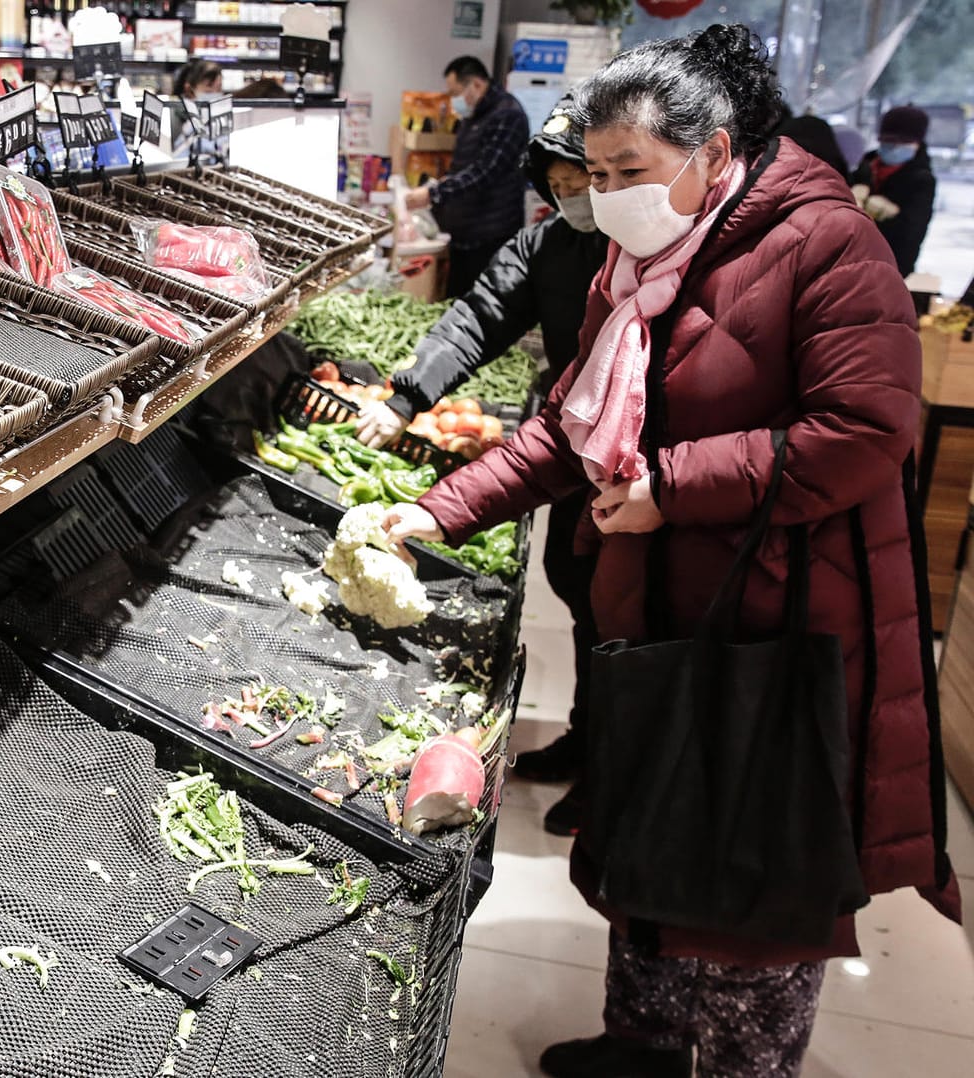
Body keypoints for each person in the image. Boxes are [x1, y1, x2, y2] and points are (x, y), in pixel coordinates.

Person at [383, 25, 960, 1077]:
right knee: (650, 835)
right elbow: (569, 427)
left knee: (753, 874)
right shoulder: (638, 256)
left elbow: (867, 432)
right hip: (655, 617)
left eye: (630, 172)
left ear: (715, 151)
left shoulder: (830, 245)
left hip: (783, 624)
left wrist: (670, 489)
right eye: (595, 174)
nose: (608, 196)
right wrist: (437, 508)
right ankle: (638, 1044)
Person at [357, 97, 609, 834]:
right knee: (581, 590)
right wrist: (407, 396)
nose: (573, 198)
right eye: (560, 185)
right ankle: (586, 738)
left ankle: (609, 772)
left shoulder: (647, 255)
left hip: (640, 465)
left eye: (584, 181)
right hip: (572, 448)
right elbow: (478, 316)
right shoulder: (549, 246)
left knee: (621, 615)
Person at [403, 56, 531, 299]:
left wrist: (433, 193)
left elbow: (485, 172)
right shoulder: (474, 114)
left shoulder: (508, 116)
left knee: (480, 306)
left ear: (477, 85)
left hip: (490, 235)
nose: (453, 100)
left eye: (455, 92)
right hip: (465, 233)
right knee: (456, 303)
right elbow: (462, 167)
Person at [850, 105, 937, 278]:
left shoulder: (921, 180)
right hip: (848, 259)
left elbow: (912, 234)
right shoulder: (863, 167)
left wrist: (880, 215)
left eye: (902, 142)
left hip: (889, 266)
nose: (894, 147)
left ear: (917, 143)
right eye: (889, 141)